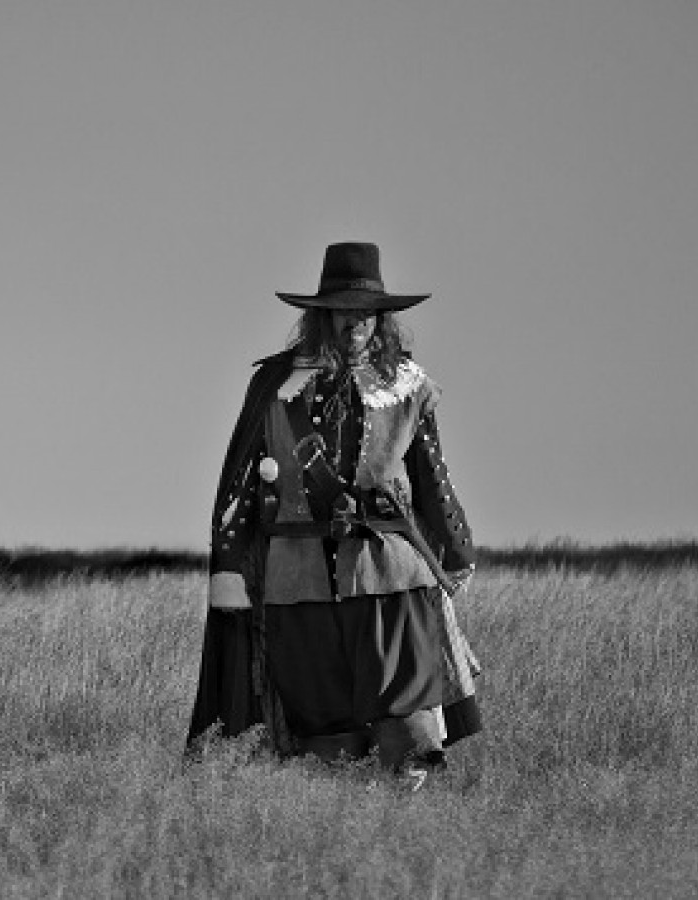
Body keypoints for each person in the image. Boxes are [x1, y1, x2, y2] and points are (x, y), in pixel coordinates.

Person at [186, 242, 482, 787]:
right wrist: (230, 567)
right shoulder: (274, 386)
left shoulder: (409, 386)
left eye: (366, 312)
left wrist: (458, 549)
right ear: (321, 314)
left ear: (381, 319)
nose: (355, 323)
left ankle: (404, 832)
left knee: (407, 718)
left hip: (391, 574)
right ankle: (341, 828)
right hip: (298, 579)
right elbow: (240, 485)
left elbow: (432, 476)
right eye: (343, 310)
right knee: (324, 729)